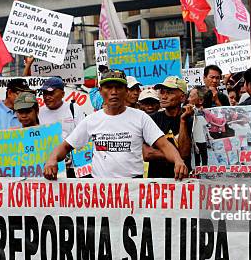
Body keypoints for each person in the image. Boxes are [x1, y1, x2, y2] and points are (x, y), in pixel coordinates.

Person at [44, 70, 188, 180]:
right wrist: (52, 160)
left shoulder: (141, 117)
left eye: (118, 87)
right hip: (102, 189)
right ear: (101, 92)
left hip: (133, 188)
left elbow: (164, 144)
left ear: (126, 91)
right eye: (108, 87)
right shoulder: (92, 120)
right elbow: (65, 146)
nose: (114, 92)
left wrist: (178, 161)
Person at [144, 77, 193, 178]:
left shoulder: (190, 120)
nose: (164, 96)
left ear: (182, 97)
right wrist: (175, 155)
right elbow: (147, 154)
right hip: (157, 182)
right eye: (162, 92)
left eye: (169, 92)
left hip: (181, 181)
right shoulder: (151, 119)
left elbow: (184, 153)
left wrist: (183, 121)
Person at [38, 77, 84, 142]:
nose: (47, 97)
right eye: (45, 93)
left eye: (51, 93)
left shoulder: (74, 109)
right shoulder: (39, 112)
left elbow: (82, 134)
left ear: (62, 94)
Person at [188, 86, 209, 166]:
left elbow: (206, 126)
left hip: (202, 140)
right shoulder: (186, 114)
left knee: (204, 155)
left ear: (200, 100)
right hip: (195, 141)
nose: (188, 99)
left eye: (191, 96)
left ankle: (204, 169)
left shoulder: (204, 114)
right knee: (197, 156)